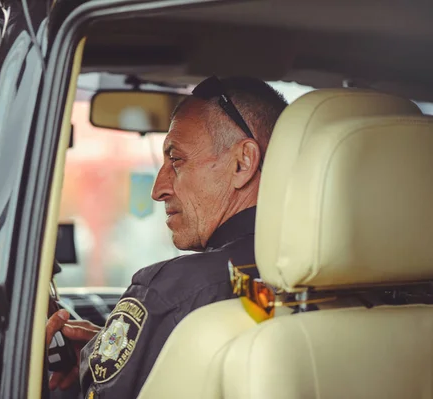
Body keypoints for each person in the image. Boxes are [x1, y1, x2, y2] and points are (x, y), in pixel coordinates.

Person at [46, 76, 288, 399]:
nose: (157, 189)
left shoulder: (173, 294)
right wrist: (106, 351)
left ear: (243, 163)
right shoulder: (349, 292)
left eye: (176, 160)